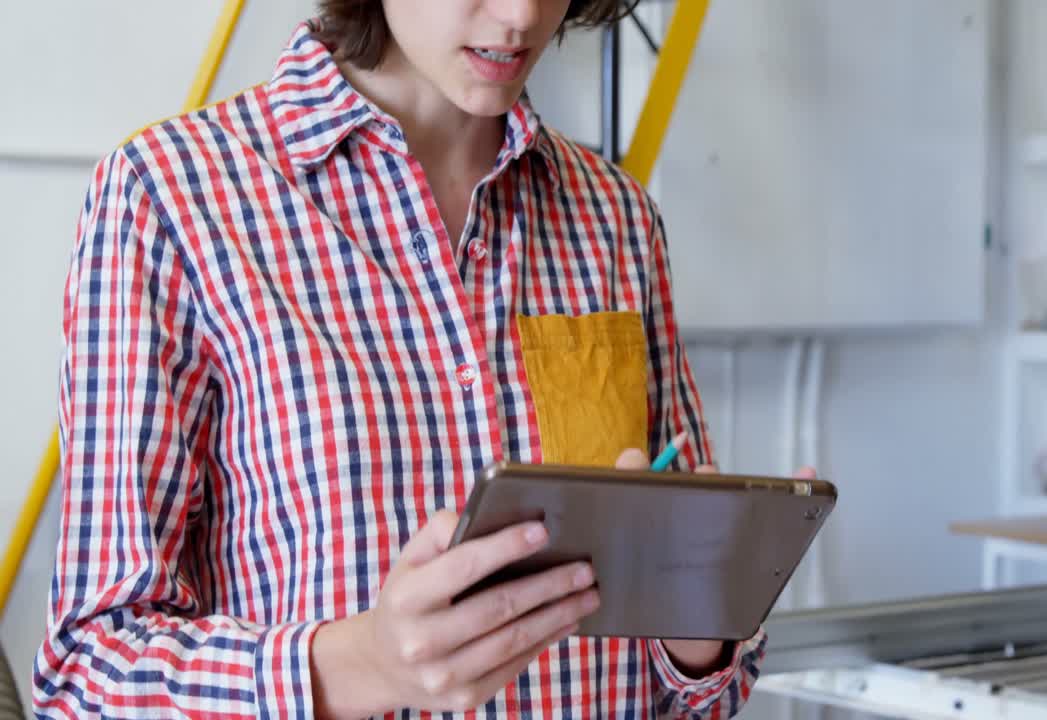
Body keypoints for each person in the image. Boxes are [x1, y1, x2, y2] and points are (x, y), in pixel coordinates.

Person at [35, 1, 814, 717]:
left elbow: (707, 687)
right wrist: (364, 664)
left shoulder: (616, 218)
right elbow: (84, 678)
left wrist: (703, 626)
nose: (521, 16)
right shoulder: (173, 197)